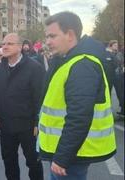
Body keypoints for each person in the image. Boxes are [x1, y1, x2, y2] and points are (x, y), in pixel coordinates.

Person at [39, 11, 116, 180]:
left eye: (52, 36)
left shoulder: (82, 64)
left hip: (71, 156)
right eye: (47, 37)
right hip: (69, 151)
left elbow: (79, 116)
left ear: (70, 34)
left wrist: (62, 158)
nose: (47, 42)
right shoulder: (68, 60)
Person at [0, 33, 44, 180]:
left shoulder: (34, 68)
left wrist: (37, 122)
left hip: (27, 126)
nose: (5, 46)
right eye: (3, 44)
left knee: (33, 162)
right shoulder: (0, 67)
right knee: (9, 161)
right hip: (7, 125)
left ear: (20, 47)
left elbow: (39, 98)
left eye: (10, 43)